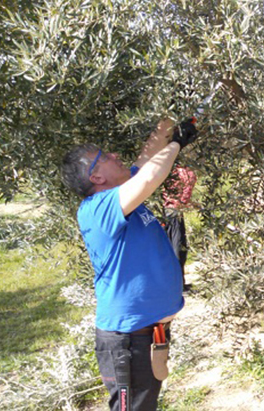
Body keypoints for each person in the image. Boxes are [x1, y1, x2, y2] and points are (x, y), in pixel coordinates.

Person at [60, 118, 198, 411]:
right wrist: (177, 144)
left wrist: (166, 126)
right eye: (105, 157)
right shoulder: (99, 208)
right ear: (96, 177)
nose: (115, 156)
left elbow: (147, 159)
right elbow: (150, 177)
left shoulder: (124, 197)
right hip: (126, 342)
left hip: (147, 335)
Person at [162, 165, 197, 292]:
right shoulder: (187, 173)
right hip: (175, 211)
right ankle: (178, 285)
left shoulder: (170, 170)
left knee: (171, 246)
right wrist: (183, 204)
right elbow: (185, 194)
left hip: (167, 210)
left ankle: (176, 283)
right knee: (178, 247)